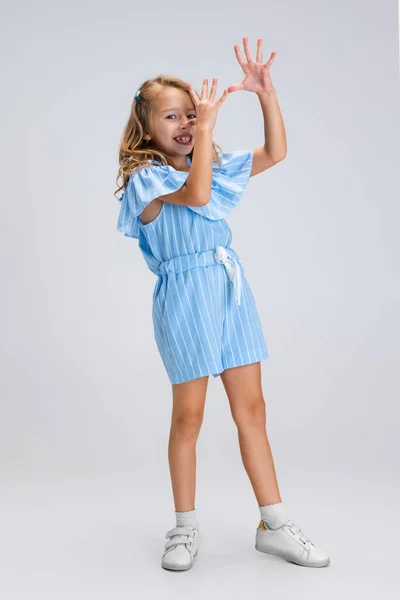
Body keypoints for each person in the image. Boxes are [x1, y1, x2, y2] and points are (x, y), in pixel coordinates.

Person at [115, 37, 330, 571]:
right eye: (173, 116)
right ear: (146, 128)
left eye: (193, 113)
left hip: (230, 292)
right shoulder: (147, 179)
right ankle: (184, 528)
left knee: (252, 410)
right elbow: (198, 196)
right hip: (184, 299)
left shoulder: (204, 159)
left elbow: (275, 153)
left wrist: (265, 94)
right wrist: (207, 133)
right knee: (189, 417)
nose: (188, 122)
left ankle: (274, 524)